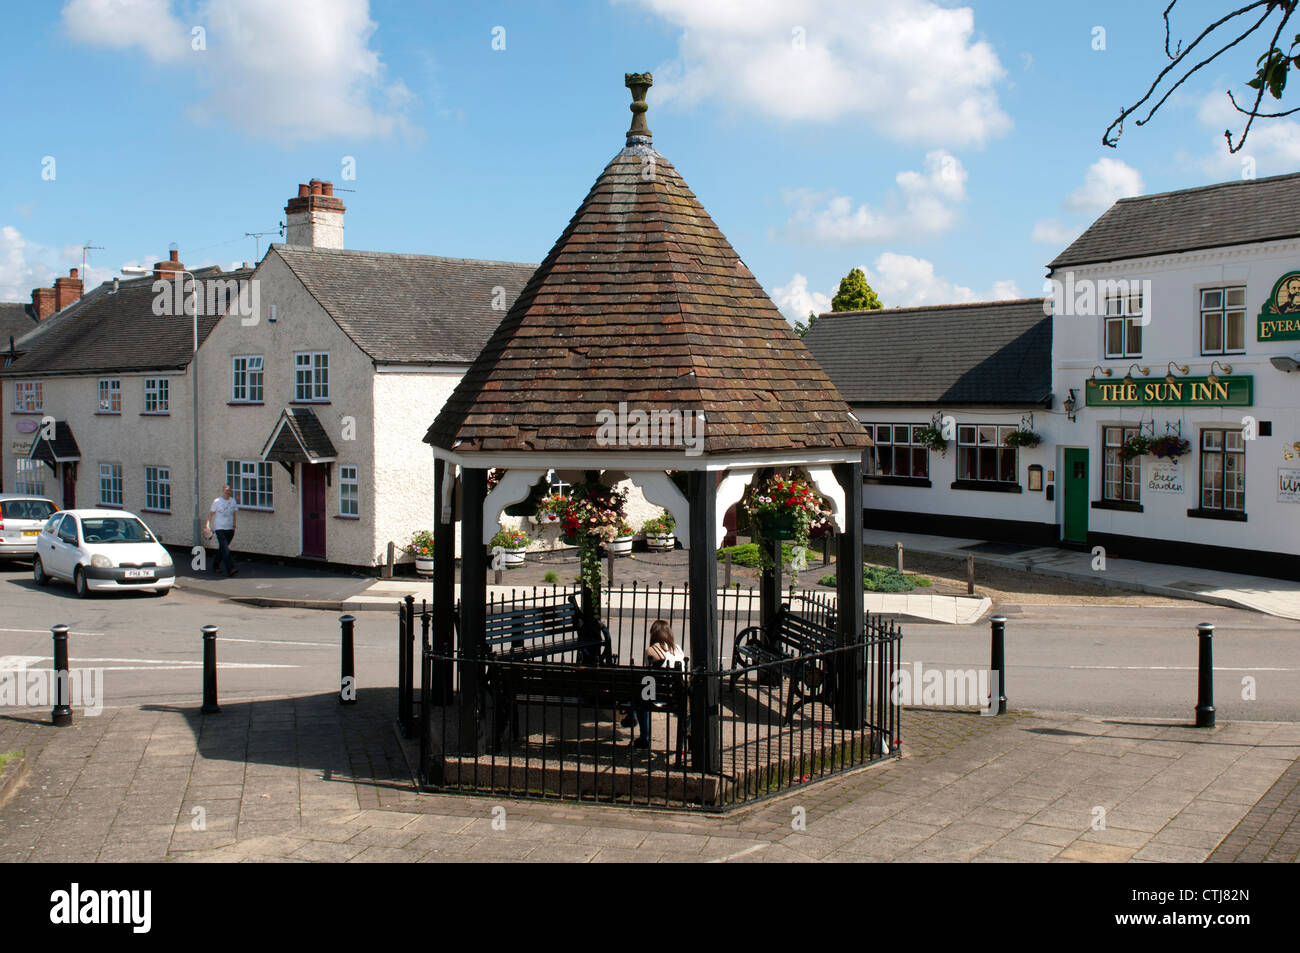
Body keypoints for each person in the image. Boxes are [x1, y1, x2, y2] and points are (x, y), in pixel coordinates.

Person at [623, 619, 685, 748]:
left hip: (658, 696)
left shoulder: (652, 651)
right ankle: (631, 714)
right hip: (677, 695)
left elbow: (648, 677)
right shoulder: (678, 649)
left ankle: (643, 734)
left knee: (640, 695)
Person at [204, 484, 239, 576]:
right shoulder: (217, 501)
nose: (227, 492)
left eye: (229, 491)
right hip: (220, 528)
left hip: (230, 528)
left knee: (222, 549)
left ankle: (215, 565)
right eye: (225, 490)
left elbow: (234, 513)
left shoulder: (232, 501)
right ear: (222, 491)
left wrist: (234, 525)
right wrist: (207, 526)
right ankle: (231, 569)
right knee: (225, 549)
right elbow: (210, 515)